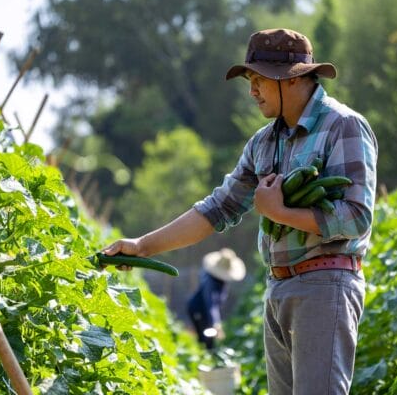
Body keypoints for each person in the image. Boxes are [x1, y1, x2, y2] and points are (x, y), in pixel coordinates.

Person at [103, 28, 377, 394]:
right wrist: (143, 246)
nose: (252, 92)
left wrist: (278, 212)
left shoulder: (342, 126)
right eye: (250, 80)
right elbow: (218, 208)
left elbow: (357, 217)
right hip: (278, 285)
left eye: (259, 80)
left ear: (291, 78)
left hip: (325, 285)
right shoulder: (263, 143)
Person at [186, 248, 246, 350]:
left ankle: (207, 356)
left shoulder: (220, 281)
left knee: (209, 339)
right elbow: (211, 304)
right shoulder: (211, 282)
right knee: (206, 338)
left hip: (205, 312)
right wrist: (216, 324)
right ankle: (204, 359)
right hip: (198, 310)